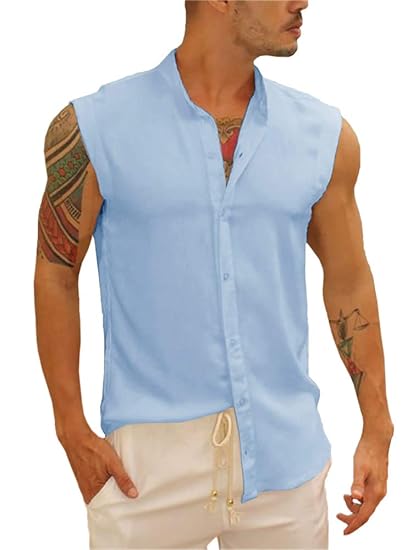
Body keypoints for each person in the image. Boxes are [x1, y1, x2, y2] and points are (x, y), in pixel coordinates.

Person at [34, 1, 394, 548]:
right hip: (143, 474)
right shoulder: (93, 128)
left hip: (286, 467)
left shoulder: (325, 137)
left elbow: (349, 283)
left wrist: (377, 426)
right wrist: (70, 426)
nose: (303, 2)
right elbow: (56, 275)